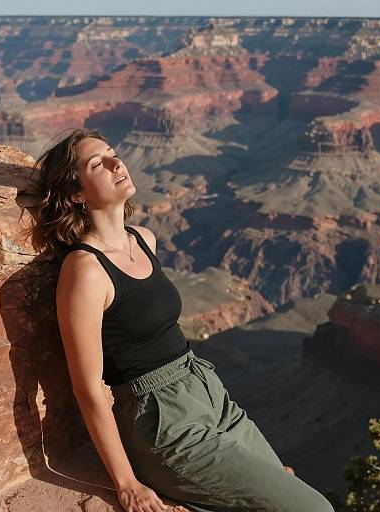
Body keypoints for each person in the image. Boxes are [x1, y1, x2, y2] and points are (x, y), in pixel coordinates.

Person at [29, 127, 336, 512]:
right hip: (161, 421)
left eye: (112, 153)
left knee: (285, 484)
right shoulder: (86, 269)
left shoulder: (143, 239)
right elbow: (87, 385)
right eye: (98, 164)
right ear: (76, 194)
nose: (116, 162)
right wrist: (126, 484)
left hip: (206, 389)